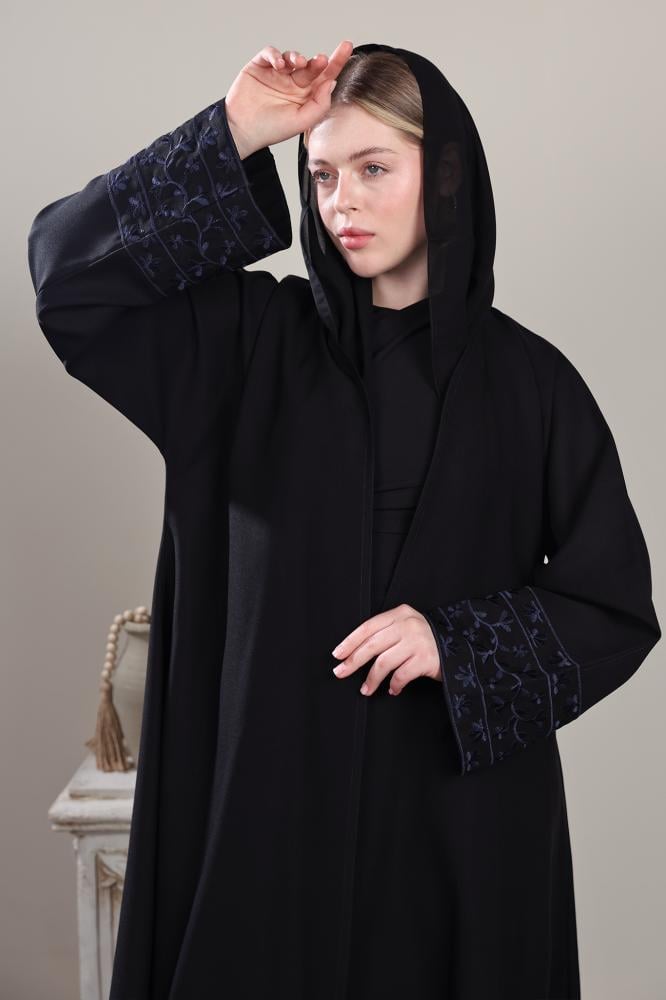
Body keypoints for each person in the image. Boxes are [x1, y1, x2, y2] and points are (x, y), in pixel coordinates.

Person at [27, 39, 660, 1000]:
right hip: (268, 828)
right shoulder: (245, 350)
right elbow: (66, 277)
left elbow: (613, 605)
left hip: (458, 839)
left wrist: (456, 641)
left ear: (444, 175)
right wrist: (236, 130)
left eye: (373, 168)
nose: (341, 204)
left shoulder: (533, 387)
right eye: (322, 174)